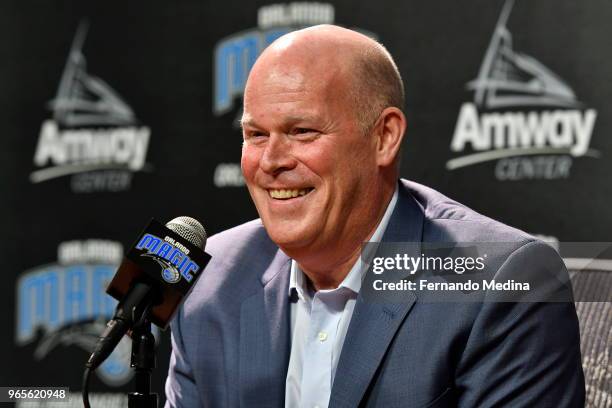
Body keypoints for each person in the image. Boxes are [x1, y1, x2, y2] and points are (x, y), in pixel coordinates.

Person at [165, 25, 584, 407]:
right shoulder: (212, 282)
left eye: (302, 131)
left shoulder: (501, 283)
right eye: (256, 135)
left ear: (384, 137)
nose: (271, 161)